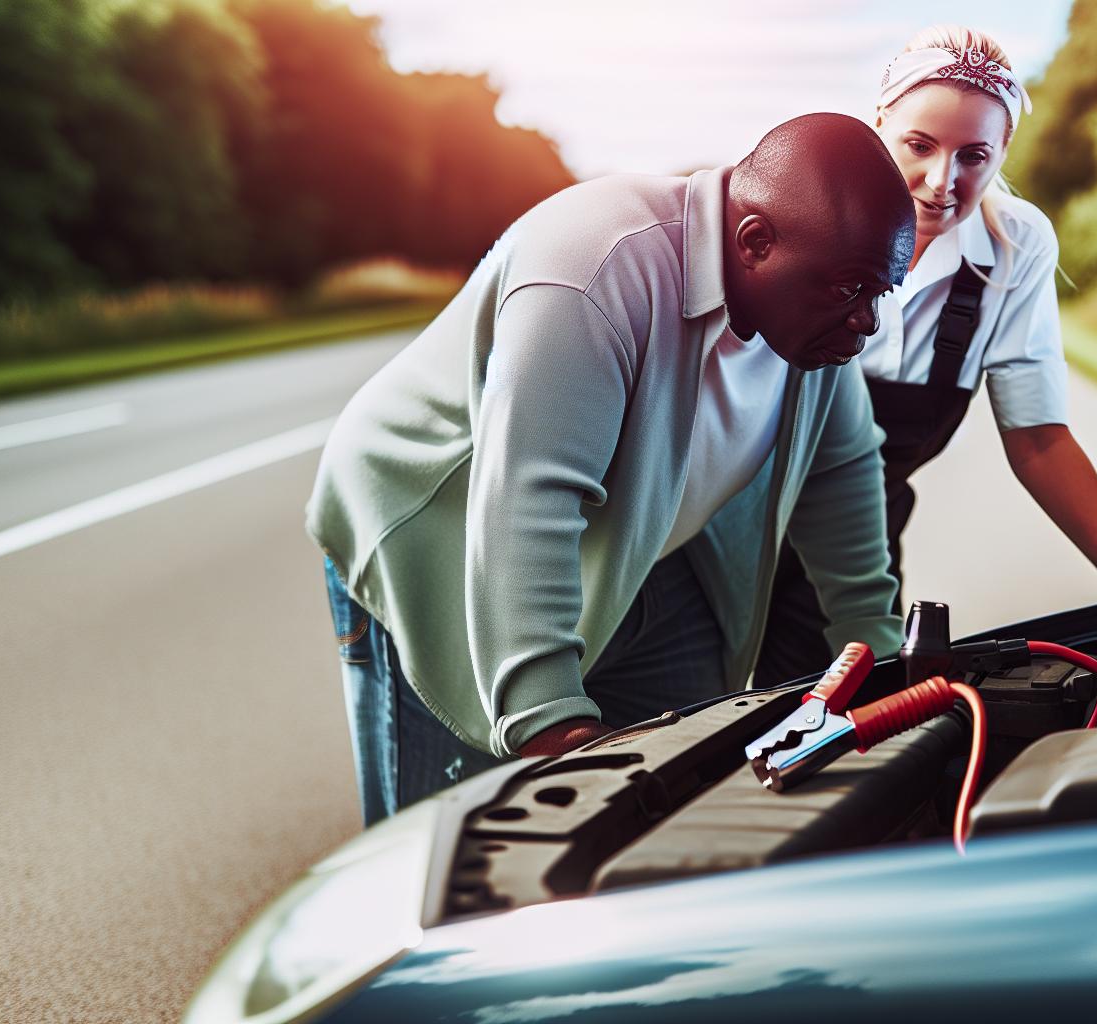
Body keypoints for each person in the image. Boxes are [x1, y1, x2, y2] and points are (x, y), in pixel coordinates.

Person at [309, 113, 918, 826]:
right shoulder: (593, 268)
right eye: (851, 290)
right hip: (439, 528)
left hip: (637, 545)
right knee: (460, 841)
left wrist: (877, 654)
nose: (868, 322)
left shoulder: (814, 333)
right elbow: (528, 500)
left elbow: (840, 472)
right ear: (755, 242)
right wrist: (550, 721)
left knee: (685, 793)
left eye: (882, 293)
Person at [758, 27, 1097, 686]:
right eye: (919, 145)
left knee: (846, 725)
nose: (943, 181)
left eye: (974, 155)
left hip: (855, 549)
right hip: (728, 517)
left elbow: (1038, 439)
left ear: (1004, 150)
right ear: (878, 122)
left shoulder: (1016, 248)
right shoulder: (799, 212)